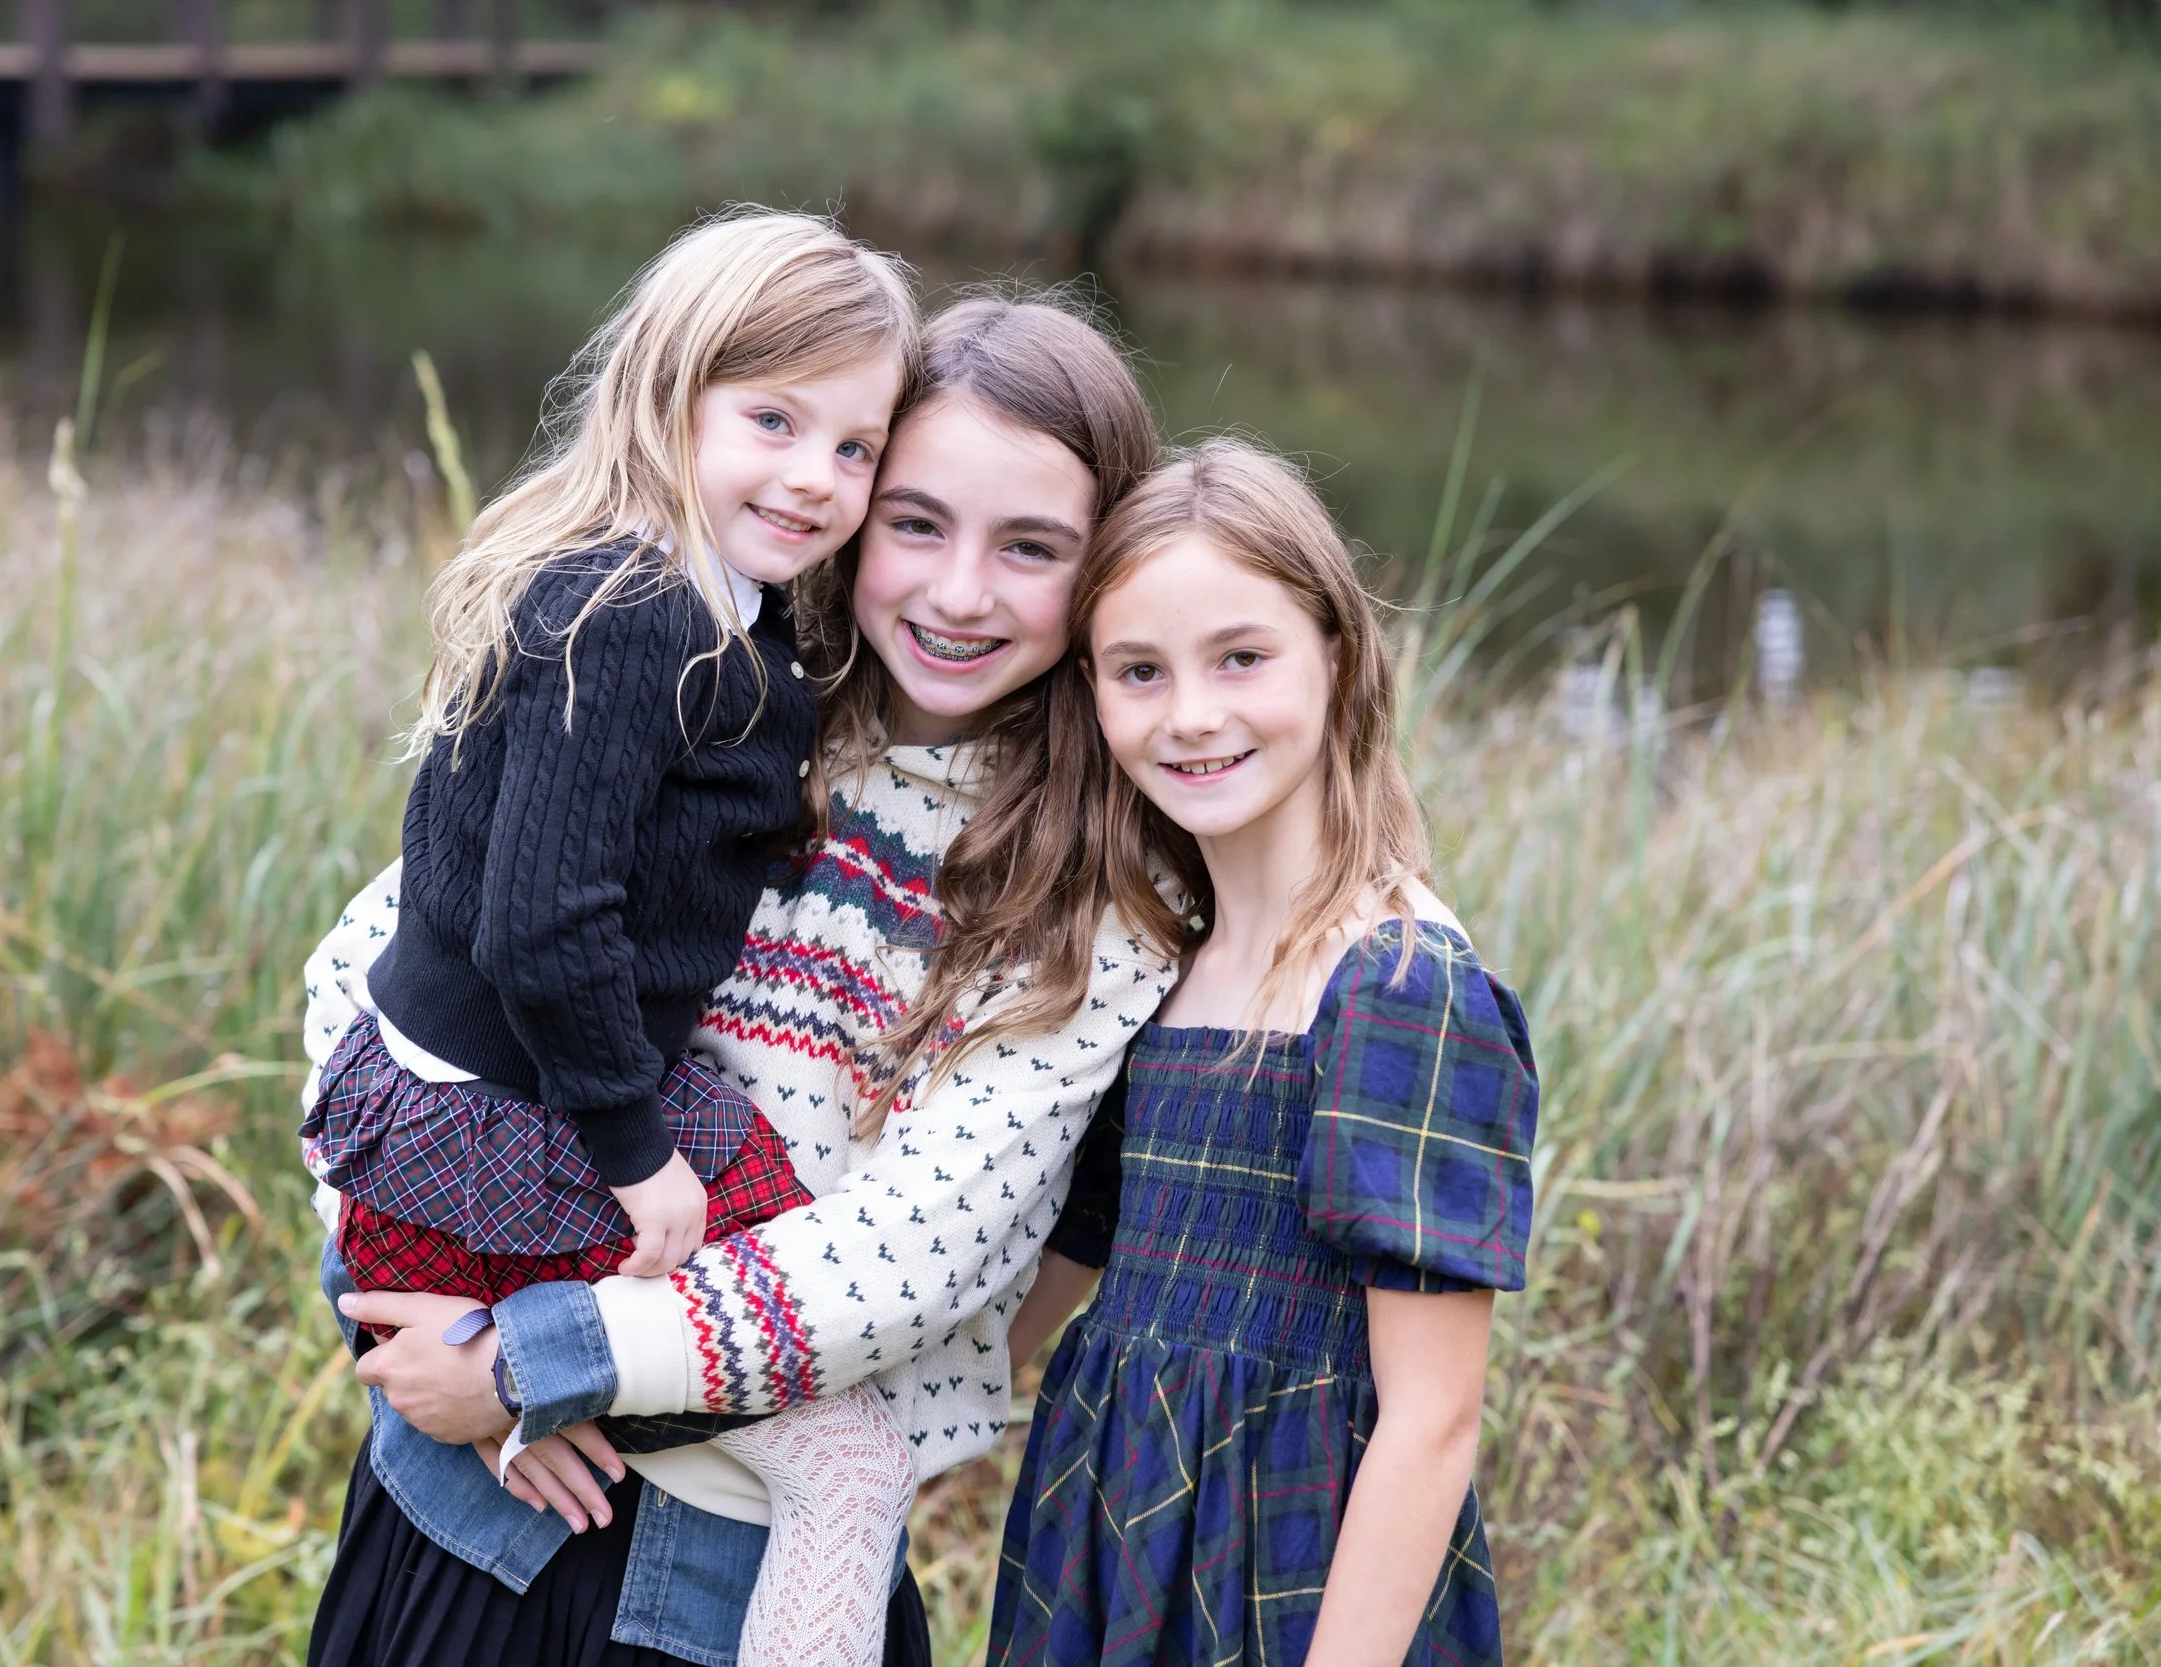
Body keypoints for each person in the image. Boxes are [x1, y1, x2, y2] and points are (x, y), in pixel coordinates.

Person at [303, 294, 1174, 1667]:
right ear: (853, 506)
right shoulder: (707, 676)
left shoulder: (1099, 887)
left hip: (744, 1574)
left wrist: (544, 1354)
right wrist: (422, 1296)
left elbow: (909, 1253)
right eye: (918, 521)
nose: (957, 593)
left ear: (1106, 566)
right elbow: (388, 965)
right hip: (469, 1522)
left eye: (1032, 549)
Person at [298, 207, 922, 1666]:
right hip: (520, 1108)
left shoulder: (678, 596)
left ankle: (515, 1368)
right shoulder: (638, 613)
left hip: (499, 1089)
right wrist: (641, 1152)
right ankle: (518, 1380)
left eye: (855, 448)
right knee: (837, 1441)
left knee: (750, 1298)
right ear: (669, 391)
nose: (815, 476)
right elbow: (540, 920)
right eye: (773, 418)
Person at [990, 438, 1540, 1667]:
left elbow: (1433, 1418)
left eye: (1241, 657)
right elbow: (1064, 1268)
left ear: (1336, 658)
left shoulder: (1395, 982)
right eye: (1140, 670)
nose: (1192, 714)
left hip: (1294, 1573)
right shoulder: (1158, 965)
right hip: (1112, 1532)